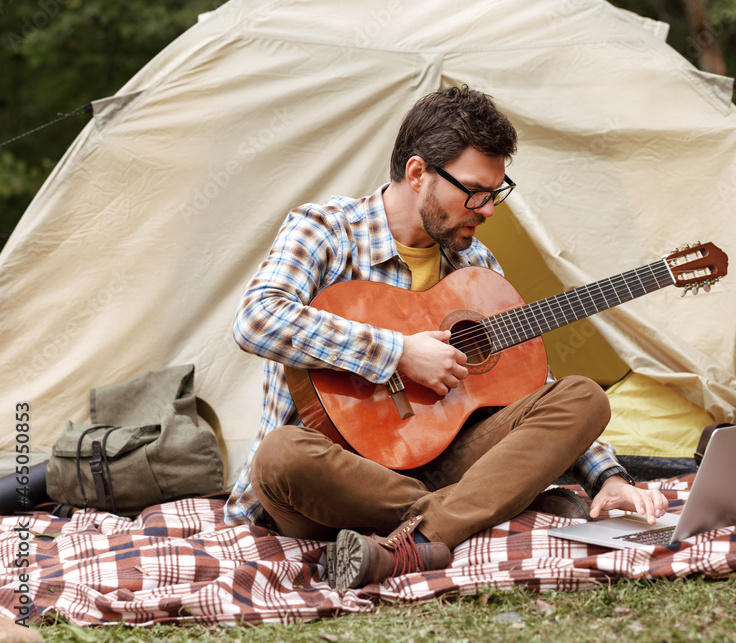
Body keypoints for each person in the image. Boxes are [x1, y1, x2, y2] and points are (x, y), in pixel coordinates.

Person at [224, 85, 667, 591]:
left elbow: (532, 383)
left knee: (582, 397)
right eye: (475, 192)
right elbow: (257, 319)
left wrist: (608, 479)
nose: (488, 210)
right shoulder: (324, 229)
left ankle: (412, 541)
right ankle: (481, 508)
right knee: (280, 456)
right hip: (337, 482)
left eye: (496, 193)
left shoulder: (477, 267)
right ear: (418, 174)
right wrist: (398, 354)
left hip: (447, 464)